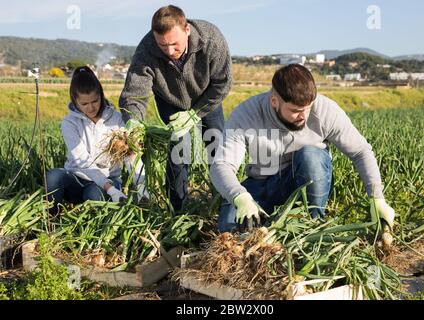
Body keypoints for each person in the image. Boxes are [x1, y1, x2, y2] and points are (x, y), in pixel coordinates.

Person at [210, 64, 395, 233]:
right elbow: (222, 165)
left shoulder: (325, 110)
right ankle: (266, 230)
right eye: (295, 111)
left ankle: (313, 223)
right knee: (230, 228)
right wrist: (240, 197)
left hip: (303, 182)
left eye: (308, 108)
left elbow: (361, 151)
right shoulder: (246, 114)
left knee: (311, 155)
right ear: (274, 101)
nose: (303, 116)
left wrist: (377, 197)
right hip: (262, 184)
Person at [119, 5, 232, 211]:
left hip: (206, 97)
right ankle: (177, 208)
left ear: (187, 29)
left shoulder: (211, 39)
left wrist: (195, 113)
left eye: (174, 44)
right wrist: (133, 120)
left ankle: (223, 201)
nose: (170, 51)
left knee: (216, 146)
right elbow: (134, 93)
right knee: (179, 150)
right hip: (170, 100)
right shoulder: (146, 50)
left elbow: (222, 84)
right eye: (163, 45)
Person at [46, 66, 148, 215]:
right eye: (84, 104)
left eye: (95, 101)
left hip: (107, 180)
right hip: (77, 180)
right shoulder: (69, 123)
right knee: (53, 177)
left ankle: (94, 216)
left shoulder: (117, 119)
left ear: (101, 95)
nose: (91, 108)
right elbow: (82, 161)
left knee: (93, 195)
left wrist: (140, 185)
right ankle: (51, 220)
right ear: (75, 101)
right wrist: (110, 189)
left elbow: (129, 154)